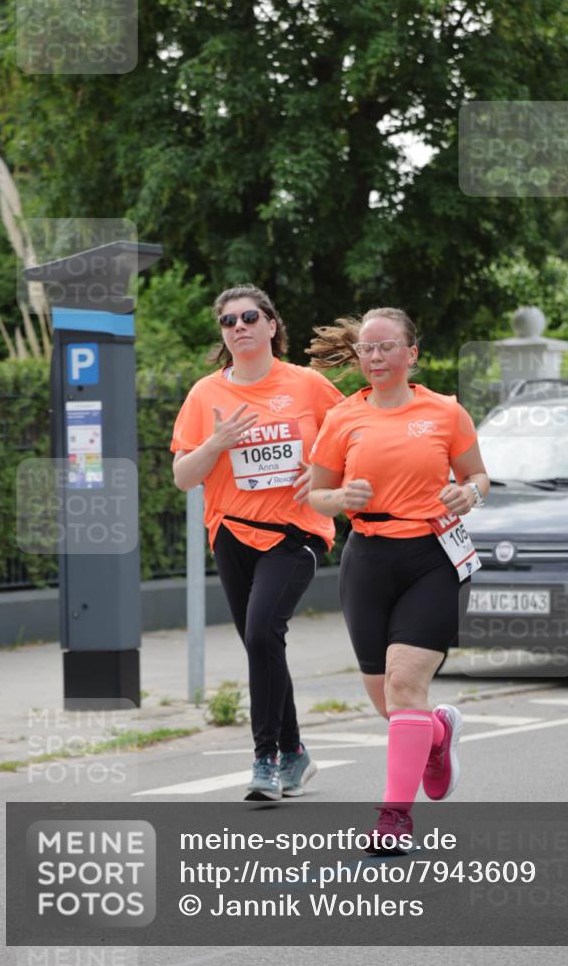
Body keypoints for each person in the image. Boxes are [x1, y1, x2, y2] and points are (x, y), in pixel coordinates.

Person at [307, 308, 489, 848]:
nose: (376, 357)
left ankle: (394, 819)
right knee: (387, 701)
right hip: (367, 559)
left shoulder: (445, 412)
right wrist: (340, 499)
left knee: (406, 685)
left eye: (387, 347)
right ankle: (436, 733)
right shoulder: (342, 418)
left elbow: (478, 475)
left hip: (433, 556)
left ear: (412, 353)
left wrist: (470, 493)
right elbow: (317, 494)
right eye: (367, 348)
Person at [171, 285, 343, 801]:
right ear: (222, 334)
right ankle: (295, 753)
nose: (239, 326)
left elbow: (355, 437)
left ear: (272, 325)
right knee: (260, 642)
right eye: (228, 321)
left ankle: (266, 758)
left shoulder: (307, 385)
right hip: (231, 533)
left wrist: (319, 470)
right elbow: (183, 476)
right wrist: (216, 443)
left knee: (264, 632)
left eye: (249, 316)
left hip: (297, 533)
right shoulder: (206, 394)